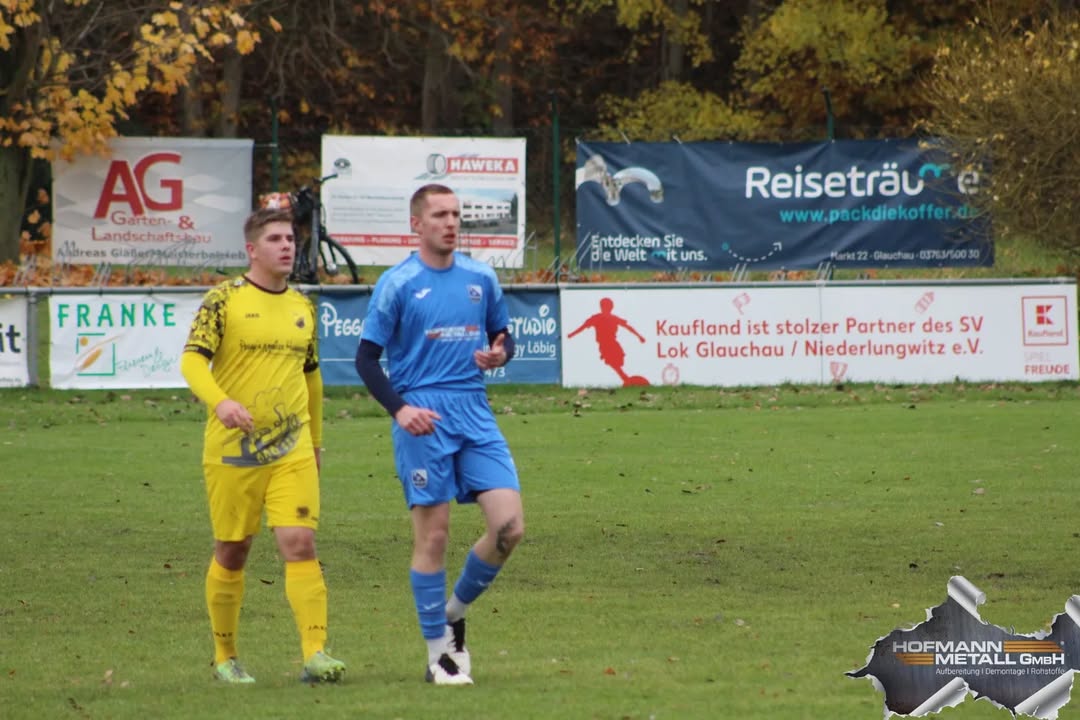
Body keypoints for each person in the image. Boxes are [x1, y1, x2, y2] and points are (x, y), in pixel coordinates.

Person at [355, 183, 525, 686]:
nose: (451, 222)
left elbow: (503, 336)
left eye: (456, 214)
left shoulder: (481, 276)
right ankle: (439, 657)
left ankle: (451, 616)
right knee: (434, 535)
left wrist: (501, 354)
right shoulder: (398, 283)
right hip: (422, 413)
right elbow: (366, 359)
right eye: (439, 215)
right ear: (417, 225)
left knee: (509, 528)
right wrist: (401, 409)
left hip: (474, 409)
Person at [180, 207, 346, 685]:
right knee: (234, 549)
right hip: (233, 451)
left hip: (291, 449)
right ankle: (225, 657)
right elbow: (192, 363)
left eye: (290, 238)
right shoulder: (223, 301)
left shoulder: (302, 307)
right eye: (275, 239)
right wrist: (221, 402)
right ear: (252, 249)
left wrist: (315, 441)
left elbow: (311, 379)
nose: (286, 246)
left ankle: (315, 651)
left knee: (300, 541)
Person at [567, 296, 649, 386]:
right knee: (613, 362)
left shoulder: (613, 318)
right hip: (604, 345)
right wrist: (571, 334)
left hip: (613, 343)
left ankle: (626, 379)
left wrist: (639, 336)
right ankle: (626, 379)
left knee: (617, 361)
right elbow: (582, 327)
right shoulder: (596, 318)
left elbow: (628, 327)